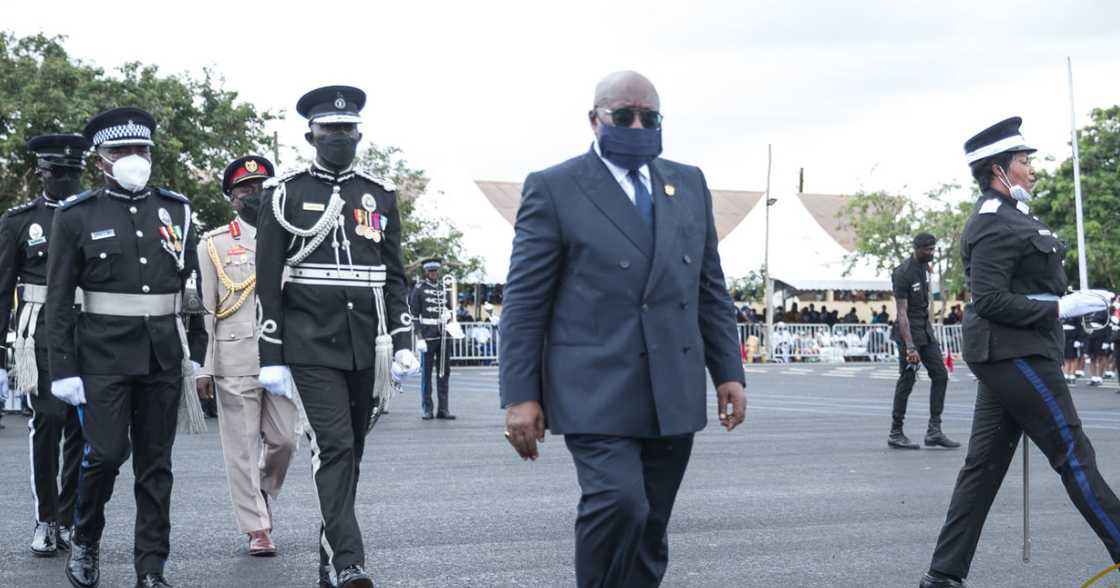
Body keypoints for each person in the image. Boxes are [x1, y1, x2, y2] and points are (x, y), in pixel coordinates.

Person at [499, 70, 746, 588]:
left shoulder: (689, 183)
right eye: (624, 116)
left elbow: (708, 287)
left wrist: (728, 371)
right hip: (594, 386)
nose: (638, 125)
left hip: (672, 387)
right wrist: (520, 395)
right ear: (594, 120)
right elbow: (524, 301)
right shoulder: (555, 187)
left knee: (651, 524)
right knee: (619, 503)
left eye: (649, 117)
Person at [920, 117, 1120, 588]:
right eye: (1024, 161)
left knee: (983, 467)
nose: (1032, 169)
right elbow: (988, 299)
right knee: (1073, 450)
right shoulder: (992, 222)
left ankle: (943, 576)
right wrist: (1059, 307)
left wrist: (1072, 306)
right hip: (1013, 354)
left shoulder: (1015, 217)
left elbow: (1028, 286)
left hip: (1018, 350)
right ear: (999, 169)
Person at [254, 85, 418, 588]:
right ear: (311, 134)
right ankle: (350, 562)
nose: (340, 137)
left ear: (359, 133)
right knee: (335, 446)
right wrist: (271, 354)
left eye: (348, 130)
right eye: (330, 130)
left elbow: (394, 275)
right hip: (310, 340)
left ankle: (330, 554)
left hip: (367, 340)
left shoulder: (379, 194)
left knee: (354, 453)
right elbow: (267, 280)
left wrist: (404, 338)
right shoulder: (283, 193)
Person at [47, 107, 207, 588]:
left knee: (156, 465)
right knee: (107, 453)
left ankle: (151, 566)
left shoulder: (176, 209)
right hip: (101, 357)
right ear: (100, 159)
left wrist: (195, 353)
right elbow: (57, 299)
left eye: (141, 150)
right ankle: (85, 538)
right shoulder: (76, 214)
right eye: (122, 151)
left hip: (161, 354)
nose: (134, 158)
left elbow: (190, 291)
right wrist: (62, 368)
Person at [196, 155, 298, 557]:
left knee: (284, 440)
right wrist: (204, 367)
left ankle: (260, 493)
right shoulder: (214, 244)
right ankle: (256, 526)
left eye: (262, 188)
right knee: (239, 447)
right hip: (233, 355)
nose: (255, 195)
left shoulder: (293, 235)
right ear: (232, 199)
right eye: (246, 190)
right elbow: (207, 309)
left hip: (281, 358)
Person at [0, 134, 89, 557]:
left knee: (81, 426)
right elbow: (2, 288)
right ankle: (46, 517)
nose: (62, 179)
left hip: (90, 325)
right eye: (55, 171)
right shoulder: (19, 220)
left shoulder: (94, 212)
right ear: (41, 172)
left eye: (70, 172)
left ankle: (69, 516)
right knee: (49, 418)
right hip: (38, 328)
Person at [888, 234, 957, 450]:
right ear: (916, 248)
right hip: (909, 333)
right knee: (907, 381)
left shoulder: (925, 268)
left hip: (925, 331)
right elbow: (901, 312)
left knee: (941, 376)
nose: (931, 253)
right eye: (927, 249)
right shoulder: (902, 272)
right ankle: (896, 432)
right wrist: (910, 346)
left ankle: (934, 430)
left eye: (933, 249)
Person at [408, 258, 456, 420]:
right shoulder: (419, 289)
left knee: (444, 373)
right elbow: (413, 315)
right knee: (426, 374)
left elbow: (451, 309)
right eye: (431, 271)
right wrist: (419, 337)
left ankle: (443, 409)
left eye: (435, 271)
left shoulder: (444, 288)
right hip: (427, 336)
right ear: (426, 272)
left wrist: (449, 315)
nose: (433, 273)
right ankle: (427, 408)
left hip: (443, 336)